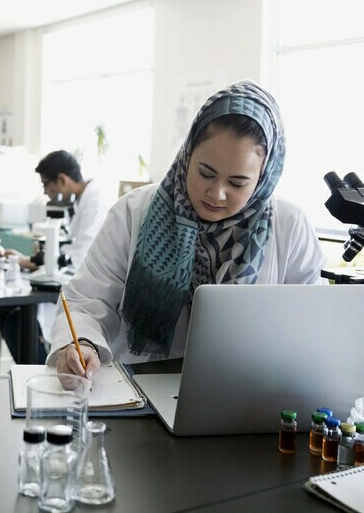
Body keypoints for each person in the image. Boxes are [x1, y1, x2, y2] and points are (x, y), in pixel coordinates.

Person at [49, 81, 325, 378]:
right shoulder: (133, 213)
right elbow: (87, 301)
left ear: (264, 176)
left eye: (237, 182)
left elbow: (313, 322)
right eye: (205, 173)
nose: (216, 193)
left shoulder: (289, 226)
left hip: (248, 392)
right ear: (187, 154)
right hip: (137, 390)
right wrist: (82, 344)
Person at [0, 150, 116, 363]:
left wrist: (32, 262)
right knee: (4, 309)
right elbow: (67, 246)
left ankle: (39, 368)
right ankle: (34, 367)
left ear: (62, 180)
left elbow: (79, 258)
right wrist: (34, 259)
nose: (45, 192)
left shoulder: (95, 204)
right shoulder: (79, 201)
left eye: (46, 185)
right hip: (68, 280)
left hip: (89, 291)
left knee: (16, 312)